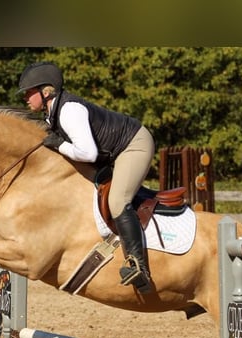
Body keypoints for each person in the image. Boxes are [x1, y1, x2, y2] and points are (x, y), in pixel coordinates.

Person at [18, 61, 154, 294]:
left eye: (30, 92)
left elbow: (88, 153)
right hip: (112, 153)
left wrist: (60, 145)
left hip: (133, 145)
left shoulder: (69, 110)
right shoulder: (52, 114)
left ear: (47, 91)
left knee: (118, 201)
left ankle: (138, 265)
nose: (26, 97)